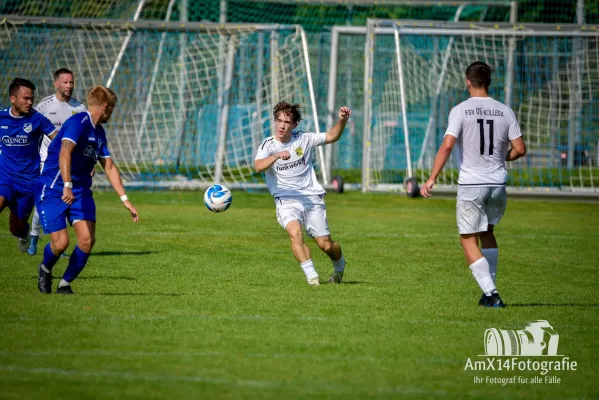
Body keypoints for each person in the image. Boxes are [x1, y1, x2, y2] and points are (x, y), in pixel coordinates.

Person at [420, 61, 526, 307]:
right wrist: (501, 157)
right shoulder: (505, 111)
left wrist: (432, 177)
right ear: (489, 82)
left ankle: (492, 293)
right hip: (497, 183)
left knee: (467, 239)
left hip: (472, 184)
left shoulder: (460, 110)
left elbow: (447, 145)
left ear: (467, 82)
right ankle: (488, 291)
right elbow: (520, 149)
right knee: (487, 232)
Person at [35, 85, 139, 294]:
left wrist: (124, 199)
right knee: (61, 243)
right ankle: (45, 268)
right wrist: (67, 185)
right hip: (55, 187)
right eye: (112, 109)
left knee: (87, 240)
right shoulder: (78, 123)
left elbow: (108, 166)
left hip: (81, 191)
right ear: (106, 108)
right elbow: (65, 152)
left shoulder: (99, 133)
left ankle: (65, 283)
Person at [254, 101, 351, 286]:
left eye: (287, 122)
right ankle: (312, 277)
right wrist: (275, 156)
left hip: (311, 198)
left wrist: (342, 121)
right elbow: (258, 166)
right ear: (275, 121)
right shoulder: (268, 145)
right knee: (295, 232)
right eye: (279, 120)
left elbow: (331, 136)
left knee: (326, 245)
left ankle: (340, 266)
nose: (282, 125)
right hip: (286, 199)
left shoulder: (304, 139)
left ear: (294, 124)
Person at [28, 68, 87, 256]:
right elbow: (31, 131)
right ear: (56, 84)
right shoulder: (43, 107)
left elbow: (84, 140)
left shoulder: (80, 109)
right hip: (47, 162)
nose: (69, 85)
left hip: (70, 164)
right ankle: (34, 235)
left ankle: (57, 243)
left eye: (71, 82)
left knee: (65, 200)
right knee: (46, 202)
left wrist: (88, 164)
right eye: (65, 82)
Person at [0, 78, 57, 253]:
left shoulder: (38, 119)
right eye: (26, 98)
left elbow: (60, 140)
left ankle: (24, 234)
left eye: (31, 98)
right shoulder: (1, 117)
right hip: (5, 176)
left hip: (28, 182)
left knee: (16, 227)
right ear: (13, 99)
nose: (30, 102)